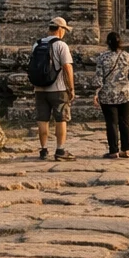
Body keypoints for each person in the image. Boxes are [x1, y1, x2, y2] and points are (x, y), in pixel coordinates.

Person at [30, 17, 75, 160]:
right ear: (60, 29)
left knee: (42, 119)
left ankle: (43, 150)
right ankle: (60, 150)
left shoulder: (37, 44)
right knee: (61, 119)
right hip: (58, 88)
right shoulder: (61, 45)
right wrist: (71, 88)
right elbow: (67, 67)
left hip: (39, 88)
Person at [93, 31, 129, 158]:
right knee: (125, 122)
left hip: (108, 95)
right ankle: (126, 149)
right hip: (125, 93)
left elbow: (98, 79)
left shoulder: (102, 58)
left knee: (111, 123)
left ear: (107, 43)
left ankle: (113, 151)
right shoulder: (127, 56)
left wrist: (96, 93)